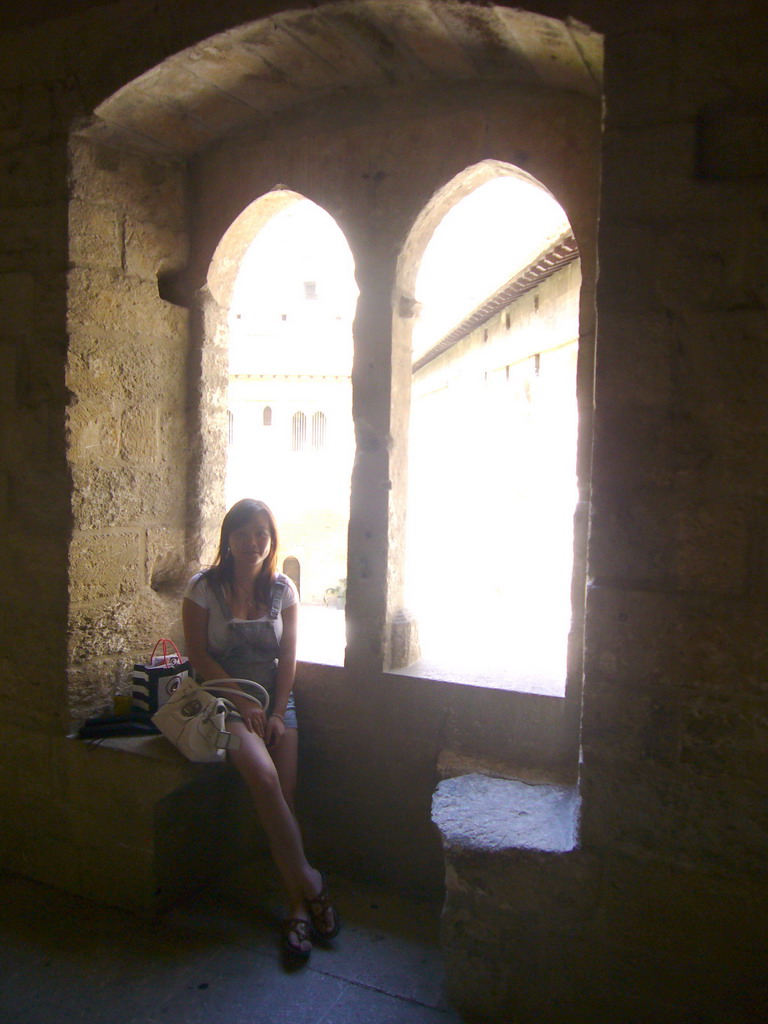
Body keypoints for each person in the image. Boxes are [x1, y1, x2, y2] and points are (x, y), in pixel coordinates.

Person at [182, 497, 339, 963]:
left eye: (261, 534)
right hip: (221, 700)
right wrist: (243, 700)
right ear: (227, 539)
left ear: (271, 542)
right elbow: (200, 658)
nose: (252, 542)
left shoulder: (282, 589)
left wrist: (275, 711)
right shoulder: (203, 589)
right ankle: (311, 882)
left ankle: (296, 910)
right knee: (264, 778)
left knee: (284, 800)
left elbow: (287, 658)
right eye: (242, 533)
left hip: (274, 702)